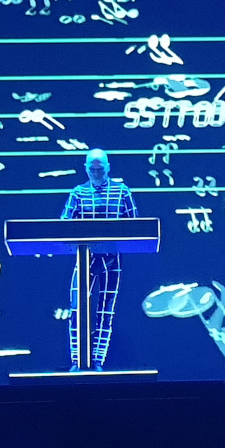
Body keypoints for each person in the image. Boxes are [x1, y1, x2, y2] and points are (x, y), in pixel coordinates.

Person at [61, 149, 138, 371]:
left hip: (112, 260)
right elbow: (63, 225)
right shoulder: (77, 193)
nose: (96, 172)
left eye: (100, 168)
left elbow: (136, 227)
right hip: (84, 259)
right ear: (86, 168)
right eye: (92, 169)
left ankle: (97, 361)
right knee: (77, 310)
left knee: (106, 311)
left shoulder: (122, 192)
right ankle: (77, 360)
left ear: (108, 167)